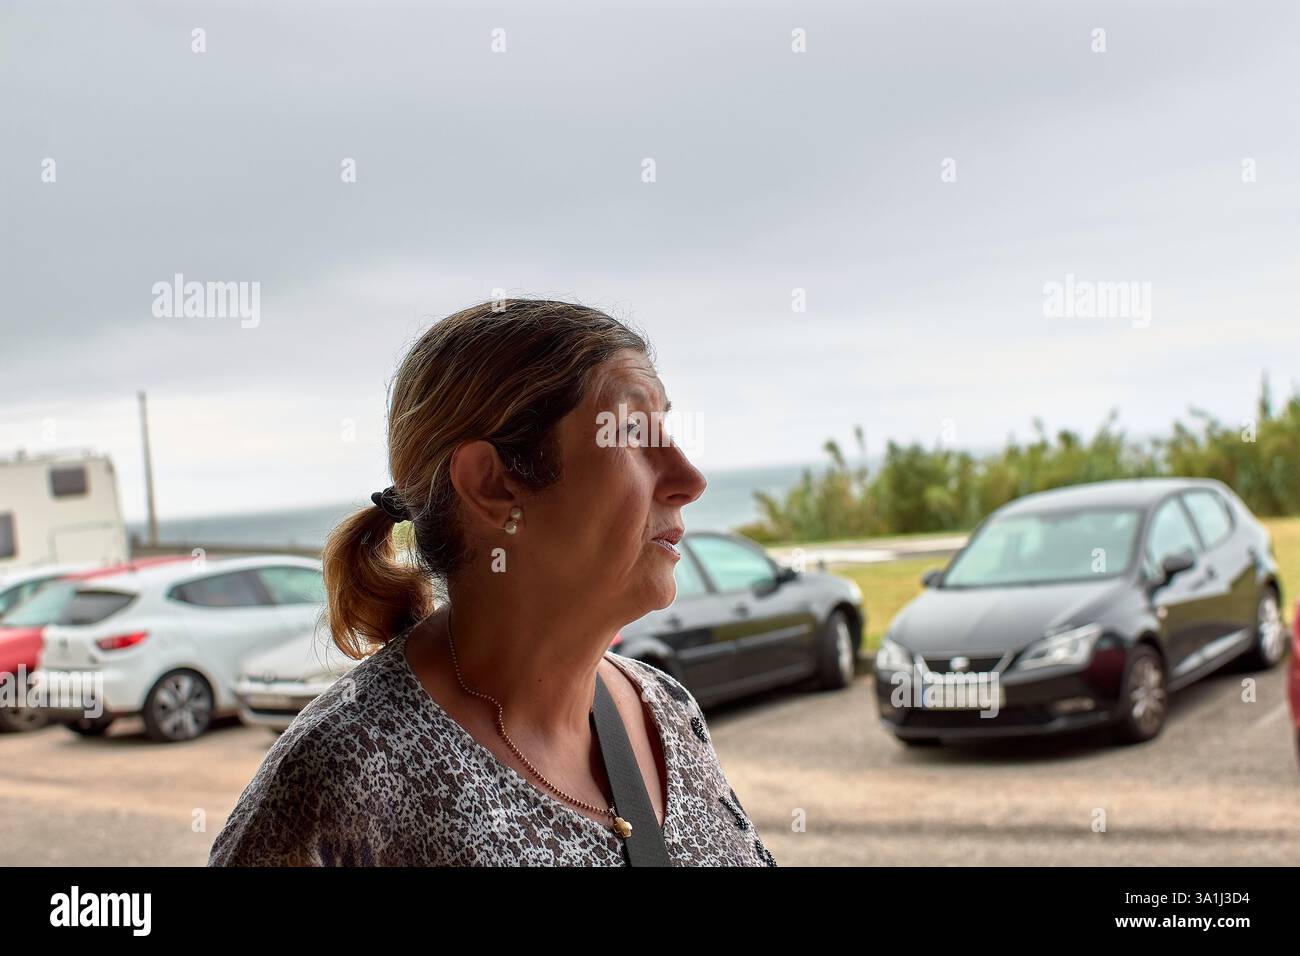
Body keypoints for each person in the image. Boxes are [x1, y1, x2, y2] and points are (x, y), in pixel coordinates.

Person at [208, 298, 777, 866]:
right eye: (630, 431)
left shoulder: (666, 711)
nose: (689, 479)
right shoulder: (348, 778)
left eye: (666, 429)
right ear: (493, 484)